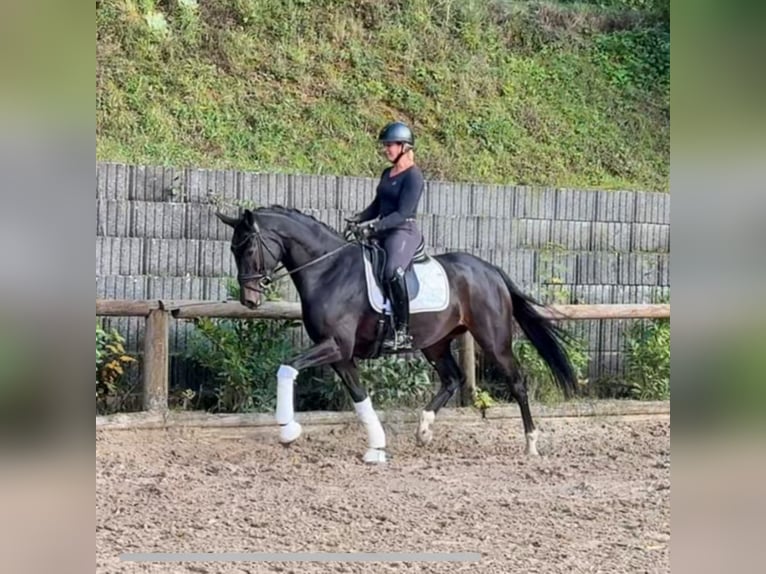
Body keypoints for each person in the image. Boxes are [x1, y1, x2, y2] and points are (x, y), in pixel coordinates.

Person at [345, 121, 425, 351]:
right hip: (382, 230)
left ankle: (402, 331)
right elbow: (377, 205)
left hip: (402, 231)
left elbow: (403, 213)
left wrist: (373, 228)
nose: (386, 149)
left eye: (391, 145)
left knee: (392, 271)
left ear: (405, 147)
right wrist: (358, 219)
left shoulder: (414, 177)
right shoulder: (387, 173)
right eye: (386, 145)